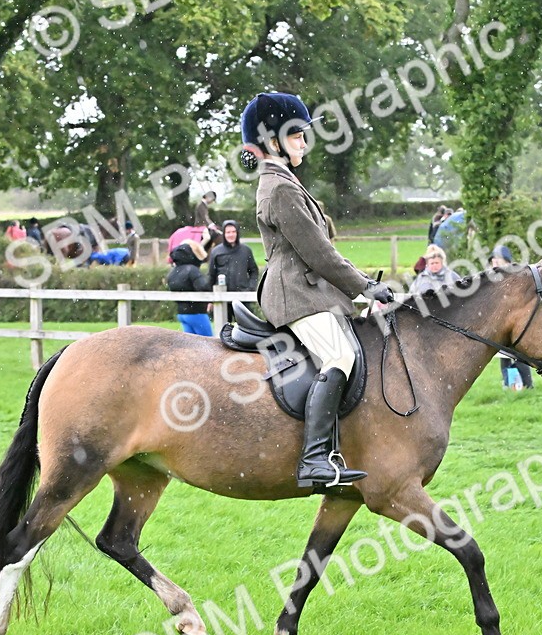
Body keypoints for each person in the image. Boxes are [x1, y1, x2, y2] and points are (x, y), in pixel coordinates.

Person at [242, 91, 393, 487]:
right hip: (295, 294)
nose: (304, 143)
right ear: (273, 141)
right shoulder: (280, 188)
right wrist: (365, 287)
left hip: (309, 290)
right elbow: (319, 254)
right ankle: (313, 460)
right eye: (296, 135)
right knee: (340, 355)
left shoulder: (285, 182)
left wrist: (362, 288)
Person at [489, 244, 533, 390]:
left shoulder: (515, 277)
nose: (494, 263)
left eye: (498, 260)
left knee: (520, 355)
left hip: (516, 322)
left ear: (507, 261)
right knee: (504, 356)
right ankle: (509, 384)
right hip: (500, 324)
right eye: (493, 260)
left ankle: (528, 385)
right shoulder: (491, 279)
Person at [208, 219, 259, 321]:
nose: (231, 235)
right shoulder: (216, 251)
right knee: (223, 327)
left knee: (246, 327)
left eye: (233, 232)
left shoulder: (246, 250)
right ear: (224, 234)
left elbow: (254, 271)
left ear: (237, 233)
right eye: (228, 232)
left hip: (243, 297)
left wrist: (250, 288)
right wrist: (210, 298)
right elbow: (211, 275)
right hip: (222, 297)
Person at [166, 239, 213, 335]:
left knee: (190, 341)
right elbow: (203, 287)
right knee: (208, 340)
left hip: (182, 313)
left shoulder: (173, 272)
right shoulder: (192, 270)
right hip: (197, 312)